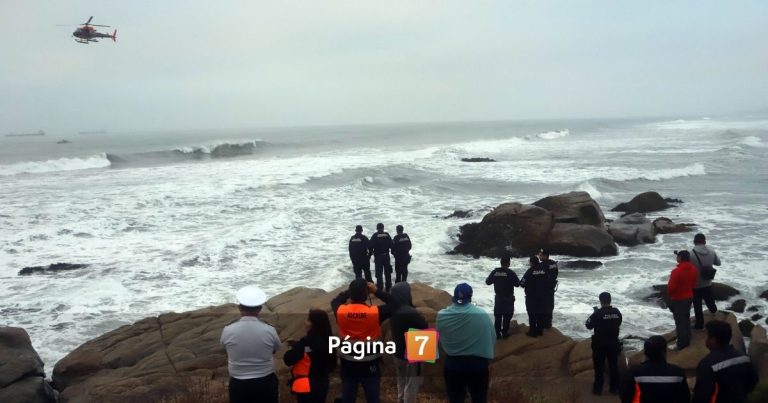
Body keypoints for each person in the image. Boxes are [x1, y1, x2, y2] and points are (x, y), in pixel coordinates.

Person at [330, 278, 394, 403]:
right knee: (373, 397)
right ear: (366, 294)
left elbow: (335, 300)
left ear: (351, 294)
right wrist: (377, 291)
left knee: (348, 397)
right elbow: (395, 304)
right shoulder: (375, 313)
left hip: (348, 363)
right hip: (370, 365)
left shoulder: (340, 311)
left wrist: (350, 292)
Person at [221, 285, 282, 403]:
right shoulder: (269, 329)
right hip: (266, 381)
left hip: (238, 383)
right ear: (259, 309)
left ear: (239, 308)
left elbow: (224, 347)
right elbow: (277, 347)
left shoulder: (228, 330)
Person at [436, 283, 495, 403]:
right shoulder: (481, 314)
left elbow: (440, 336)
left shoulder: (442, 316)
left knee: (455, 399)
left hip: (453, 364)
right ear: (470, 297)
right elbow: (492, 337)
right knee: (479, 399)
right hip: (477, 364)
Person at [692, 320, 758, 403]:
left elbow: (702, 396)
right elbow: (754, 380)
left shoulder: (707, 364)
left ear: (713, 340)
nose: (704, 339)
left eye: (706, 336)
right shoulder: (745, 357)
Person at [283, 309, 337, 403]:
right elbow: (331, 364)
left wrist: (296, 346)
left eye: (308, 320)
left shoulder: (304, 343)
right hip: (322, 383)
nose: (305, 322)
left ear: (314, 324)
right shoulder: (330, 342)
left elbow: (288, 359)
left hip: (305, 384)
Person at [388, 282, 428, 403]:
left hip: (397, 353)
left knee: (401, 380)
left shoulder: (393, 310)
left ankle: (400, 400)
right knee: (411, 385)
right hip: (411, 353)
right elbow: (424, 326)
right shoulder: (409, 311)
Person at [620, 335, 690, 403]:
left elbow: (626, 397)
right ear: (664, 353)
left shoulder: (634, 373)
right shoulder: (677, 373)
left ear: (645, 353)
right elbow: (685, 399)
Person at [585, 292, 622, 396]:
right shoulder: (617, 312)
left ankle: (598, 390)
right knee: (613, 367)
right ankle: (614, 389)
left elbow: (588, 325)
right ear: (610, 300)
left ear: (600, 301)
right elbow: (619, 322)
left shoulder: (597, 314)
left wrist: (596, 313)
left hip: (600, 344)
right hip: (613, 343)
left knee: (599, 368)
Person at [668, 250, 698, 350]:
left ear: (680, 258)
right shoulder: (693, 269)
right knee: (686, 318)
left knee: (680, 321)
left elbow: (671, 288)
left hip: (678, 299)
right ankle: (687, 338)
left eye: (678, 256)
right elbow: (693, 284)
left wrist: (670, 298)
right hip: (689, 297)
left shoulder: (676, 271)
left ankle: (681, 344)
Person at [690, 233, 722, 329]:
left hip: (695, 284)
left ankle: (699, 325)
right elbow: (718, 263)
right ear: (705, 241)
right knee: (709, 300)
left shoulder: (691, 253)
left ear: (694, 242)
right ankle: (715, 314)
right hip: (708, 282)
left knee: (697, 304)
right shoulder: (711, 251)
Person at [485, 255, 520, 339]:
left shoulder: (495, 272)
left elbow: (488, 282)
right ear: (508, 263)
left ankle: (497, 334)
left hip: (499, 298)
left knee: (498, 316)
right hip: (508, 298)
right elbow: (518, 284)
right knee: (507, 316)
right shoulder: (510, 273)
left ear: (501, 263)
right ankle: (505, 333)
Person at [520, 255, 550, 337]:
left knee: (532, 314)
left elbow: (522, 283)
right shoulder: (544, 271)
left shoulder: (530, 271)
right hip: (543, 297)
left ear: (532, 263)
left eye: (529, 262)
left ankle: (532, 332)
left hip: (531, 297)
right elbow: (549, 282)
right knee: (540, 314)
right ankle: (540, 331)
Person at [369, 223, 394, 292]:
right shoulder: (387, 235)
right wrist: (392, 252)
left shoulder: (375, 235)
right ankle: (388, 287)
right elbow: (392, 245)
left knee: (379, 273)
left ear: (377, 228)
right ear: (383, 228)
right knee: (387, 272)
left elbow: (370, 246)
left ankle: (380, 288)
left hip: (378, 257)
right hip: (386, 256)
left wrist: (369, 255)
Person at [537, 249, 558, 329]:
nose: (539, 256)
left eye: (540, 255)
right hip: (550, 289)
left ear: (545, 256)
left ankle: (543, 326)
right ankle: (548, 324)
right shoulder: (553, 263)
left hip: (544, 290)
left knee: (542, 308)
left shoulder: (542, 265)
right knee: (549, 307)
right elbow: (555, 275)